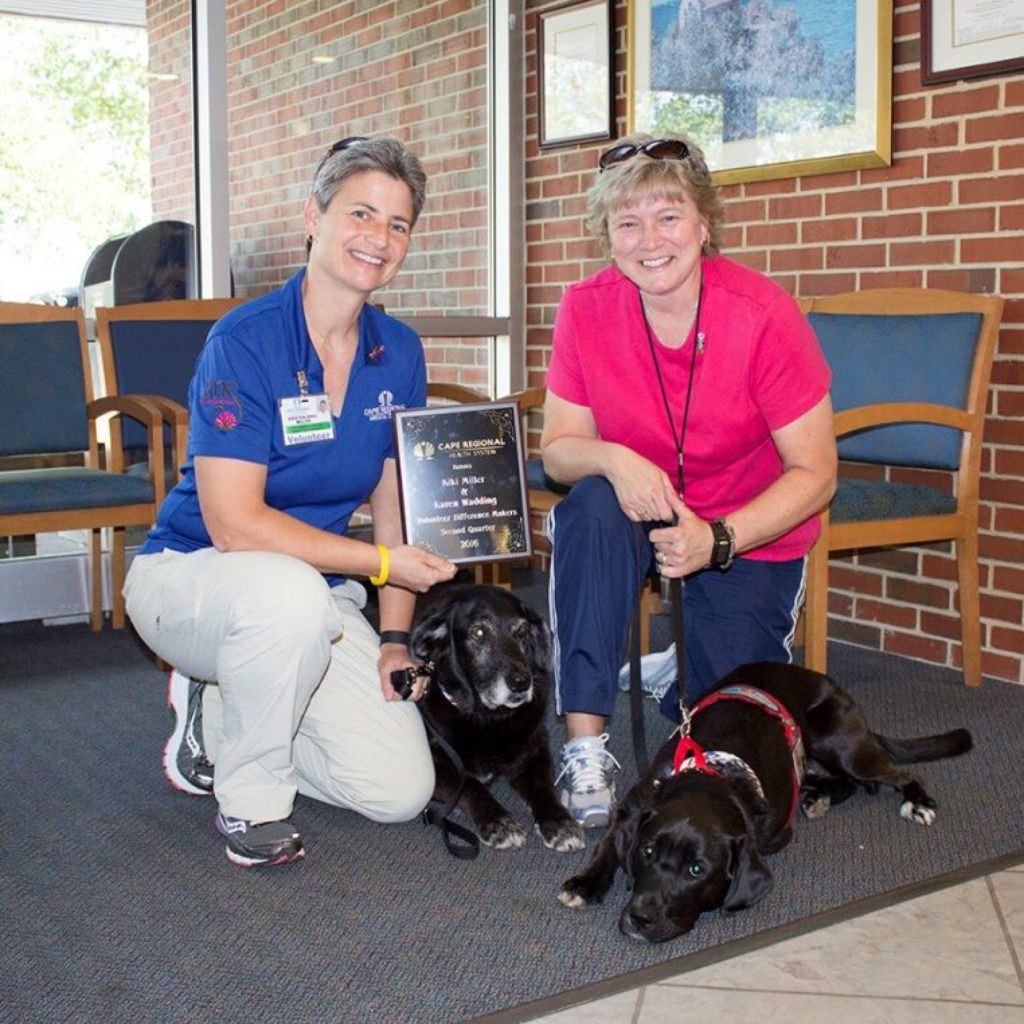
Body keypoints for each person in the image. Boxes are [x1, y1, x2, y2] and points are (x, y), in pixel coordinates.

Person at [124, 135, 457, 867]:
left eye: (398, 224)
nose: (379, 238)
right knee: (289, 600)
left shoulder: (397, 350)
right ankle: (252, 807)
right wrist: (375, 561)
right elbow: (235, 525)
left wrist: (396, 640)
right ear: (315, 215)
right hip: (192, 575)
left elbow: (395, 500)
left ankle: (227, 710)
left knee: (397, 790)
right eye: (361, 213)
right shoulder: (244, 340)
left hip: (315, 597)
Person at [541, 134, 837, 828]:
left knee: (724, 732)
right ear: (607, 236)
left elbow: (817, 473)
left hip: (745, 526)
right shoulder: (585, 308)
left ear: (705, 225)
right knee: (586, 507)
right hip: (635, 507)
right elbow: (558, 451)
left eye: (669, 216)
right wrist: (614, 459)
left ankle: (684, 666)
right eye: (628, 222)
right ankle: (585, 746)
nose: (651, 239)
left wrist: (721, 539)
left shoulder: (763, 314)